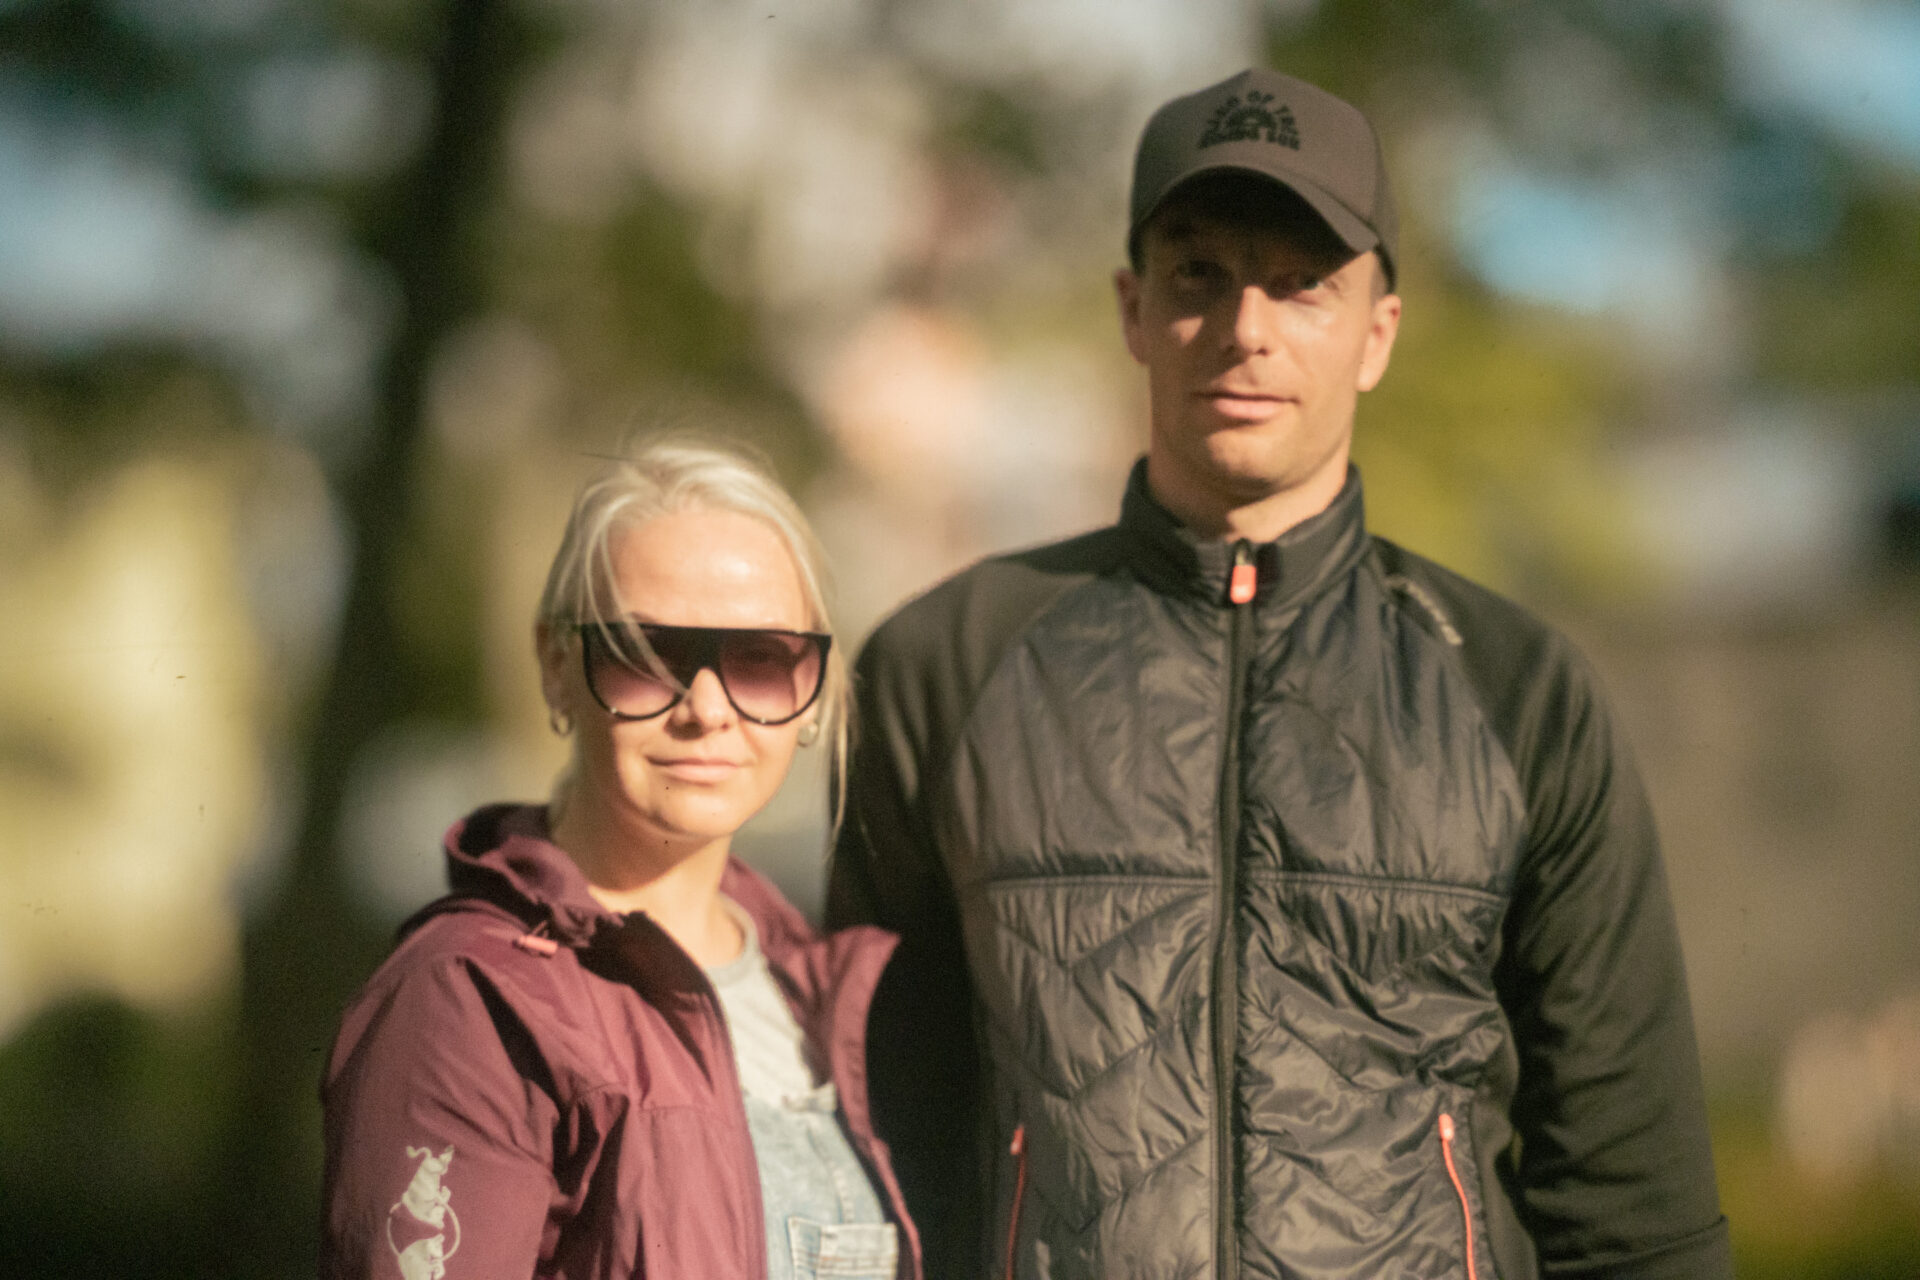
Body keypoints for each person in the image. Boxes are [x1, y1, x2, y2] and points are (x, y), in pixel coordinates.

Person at [827, 67, 1732, 1280]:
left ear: (1377, 334)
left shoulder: (1519, 692)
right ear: (1133, 310)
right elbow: (879, 1148)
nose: (1246, 326)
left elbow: (1633, 1199)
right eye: (1199, 272)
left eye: (1303, 282)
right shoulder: (947, 667)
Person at [321, 439, 920, 1280]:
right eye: (646, 654)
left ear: (812, 692)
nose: (707, 708)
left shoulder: (824, 991)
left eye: (760, 660)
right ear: (556, 666)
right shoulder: (471, 1002)